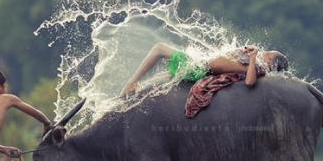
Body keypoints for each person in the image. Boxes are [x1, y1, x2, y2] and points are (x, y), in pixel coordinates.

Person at [120, 42, 289, 96]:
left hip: (199, 69)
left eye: (269, 54)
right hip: (199, 65)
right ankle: (134, 90)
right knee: (162, 77)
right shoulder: (256, 64)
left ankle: (131, 84)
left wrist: (252, 58)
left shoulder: (259, 68)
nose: (264, 53)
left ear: (271, 64)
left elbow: (250, 81)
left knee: (159, 49)